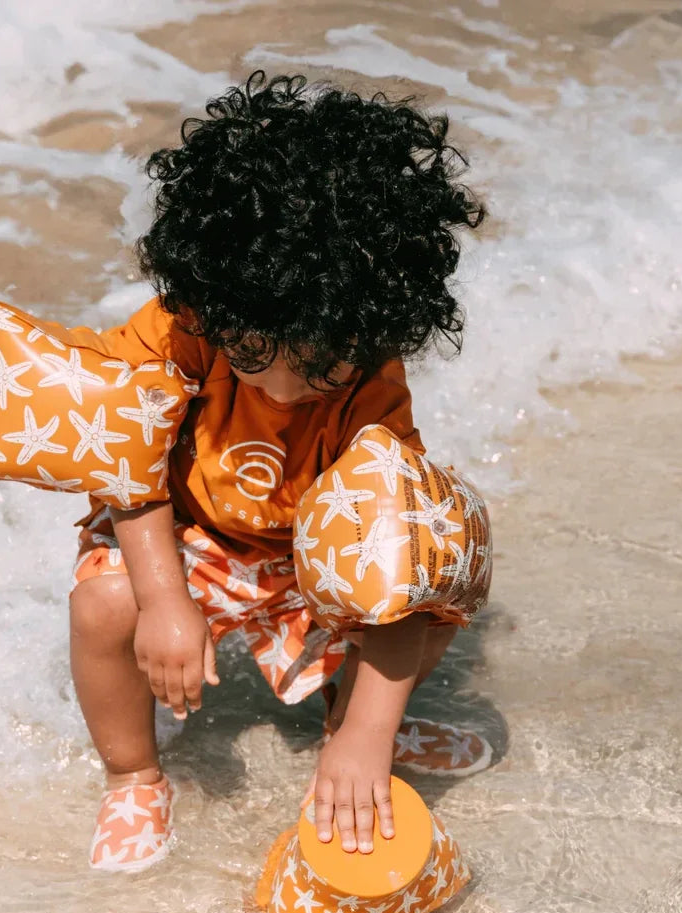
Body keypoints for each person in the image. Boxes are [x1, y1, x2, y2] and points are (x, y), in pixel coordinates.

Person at [66, 71, 489, 872]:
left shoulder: (374, 386)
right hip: (180, 529)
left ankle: (347, 727)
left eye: (322, 368)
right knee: (103, 604)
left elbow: (399, 562)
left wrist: (367, 736)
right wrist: (164, 600)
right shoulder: (182, 328)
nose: (286, 390)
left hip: (302, 553)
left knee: (432, 597)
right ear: (213, 304)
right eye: (254, 355)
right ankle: (133, 776)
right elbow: (125, 462)